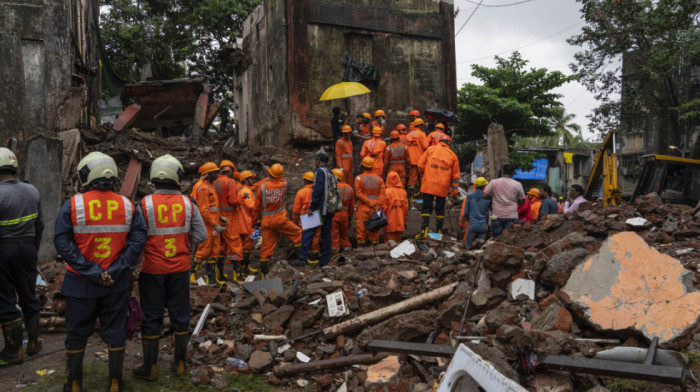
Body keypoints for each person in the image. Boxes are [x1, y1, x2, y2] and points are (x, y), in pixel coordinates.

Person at [54, 152, 147, 391]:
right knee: (115, 331)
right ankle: (115, 383)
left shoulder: (73, 205)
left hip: (80, 282)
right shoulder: (128, 206)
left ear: (87, 174)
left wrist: (92, 271)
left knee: (76, 333)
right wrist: (115, 269)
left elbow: (62, 242)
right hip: (115, 283)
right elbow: (137, 242)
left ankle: (73, 385)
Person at [133, 155, 206, 381]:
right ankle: (180, 364)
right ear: (178, 177)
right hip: (180, 269)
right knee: (180, 316)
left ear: (154, 177)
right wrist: (186, 244)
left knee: (152, 318)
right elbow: (201, 236)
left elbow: (136, 240)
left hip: (152, 271)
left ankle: (150, 368)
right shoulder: (188, 203)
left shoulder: (143, 205)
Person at [0, 148, 43, 367]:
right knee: (28, 294)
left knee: (6, 299)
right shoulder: (32, 190)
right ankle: (34, 342)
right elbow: (40, 225)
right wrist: (33, 250)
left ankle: (13, 350)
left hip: (4, 251)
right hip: (28, 248)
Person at [253, 163, 301, 278]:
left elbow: (256, 207)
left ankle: (264, 274)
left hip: (266, 222)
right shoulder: (284, 184)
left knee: (266, 249)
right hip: (280, 220)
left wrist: (254, 220)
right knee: (298, 234)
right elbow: (280, 178)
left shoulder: (262, 187)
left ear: (270, 174)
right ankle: (300, 259)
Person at [415, 136, 460, 238]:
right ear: (449, 144)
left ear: (439, 142)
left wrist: (423, 175)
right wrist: (454, 192)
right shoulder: (453, 155)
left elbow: (420, 165)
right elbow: (456, 176)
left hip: (429, 184)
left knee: (426, 208)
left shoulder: (430, 149)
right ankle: (438, 232)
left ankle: (424, 232)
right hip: (442, 186)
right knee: (440, 209)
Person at [190, 162, 227, 285]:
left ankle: (211, 279)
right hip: (207, 224)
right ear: (208, 174)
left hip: (213, 223)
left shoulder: (209, 186)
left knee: (214, 250)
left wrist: (220, 218)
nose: (217, 174)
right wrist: (215, 224)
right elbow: (203, 210)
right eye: (215, 172)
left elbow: (212, 207)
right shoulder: (202, 188)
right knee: (204, 250)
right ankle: (191, 274)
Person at [298, 152, 336, 266]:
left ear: (318, 160)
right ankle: (324, 261)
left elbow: (317, 190)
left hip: (321, 208)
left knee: (308, 231)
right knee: (326, 234)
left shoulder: (320, 171)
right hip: (330, 208)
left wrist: (312, 207)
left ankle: (302, 258)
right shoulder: (331, 172)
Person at [212, 160, 243, 283]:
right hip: (228, 219)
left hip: (217, 218)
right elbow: (233, 201)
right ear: (231, 170)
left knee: (221, 246)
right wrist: (241, 197)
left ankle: (219, 275)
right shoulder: (230, 182)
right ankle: (238, 276)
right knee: (235, 244)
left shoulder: (214, 182)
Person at [482, 163, 526, 238]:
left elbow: (484, 195)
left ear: (503, 172)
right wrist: (514, 200)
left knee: (496, 240)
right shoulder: (518, 184)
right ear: (513, 173)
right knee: (509, 240)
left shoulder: (494, 182)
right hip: (511, 216)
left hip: (497, 216)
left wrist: (493, 197)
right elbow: (522, 201)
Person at [354, 157, 386, 246]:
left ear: (363, 166)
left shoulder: (358, 178)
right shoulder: (379, 179)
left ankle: (360, 251)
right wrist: (377, 205)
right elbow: (382, 194)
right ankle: (374, 252)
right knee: (375, 232)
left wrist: (369, 202)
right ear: (372, 167)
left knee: (361, 230)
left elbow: (358, 194)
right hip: (375, 208)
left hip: (363, 208)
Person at [291, 172, 320, 263]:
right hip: (316, 215)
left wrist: (294, 221)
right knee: (316, 236)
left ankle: (303, 257)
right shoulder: (318, 191)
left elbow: (296, 209)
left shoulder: (301, 192)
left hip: (305, 218)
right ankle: (314, 256)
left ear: (306, 181)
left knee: (304, 238)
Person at [235, 171, 258, 276]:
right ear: (245, 180)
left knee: (243, 245)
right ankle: (245, 267)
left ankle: (243, 267)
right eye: (251, 178)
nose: (253, 180)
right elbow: (251, 207)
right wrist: (259, 205)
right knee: (248, 245)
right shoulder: (246, 192)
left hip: (241, 222)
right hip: (247, 221)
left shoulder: (242, 190)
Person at [462, 177, 491, 246]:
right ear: (484, 186)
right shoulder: (488, 198)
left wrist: (471, 221)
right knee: (480, 248)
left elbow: (465, 212)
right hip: (483, 226)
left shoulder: (469, 196)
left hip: (472, 226)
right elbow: (489, 214)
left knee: (468, 246)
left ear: (475, 185)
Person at [331, 168, 354, 254]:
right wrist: (349, 216)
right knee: (344, 235)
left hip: (334, 214)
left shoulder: (332, 187)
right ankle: (347, 250)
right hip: (345, 215)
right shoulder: (349, 188)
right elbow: (351, 207)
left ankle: (335, 252)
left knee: (334, 235)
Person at [406, 118, 429, 202]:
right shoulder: (422, 134)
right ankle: (423, 195)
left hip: (410, 160)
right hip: (420, 160)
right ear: (420, 125)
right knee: (423, 177)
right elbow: (425, 146)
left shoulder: (408, 135)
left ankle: (411, 198)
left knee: (412, 178)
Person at [383, 171, 409, 243]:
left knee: (389, 243)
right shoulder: (403, 192)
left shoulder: (386, 192)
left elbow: (383, 208)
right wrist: (404, 220)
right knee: (398, 243)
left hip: (389, 222)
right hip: (400, 221)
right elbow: (406, 208)